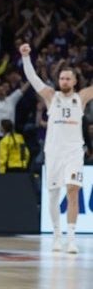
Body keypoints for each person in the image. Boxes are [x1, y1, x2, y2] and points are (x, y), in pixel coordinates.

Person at [20, 43, 92, 254]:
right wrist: (26, 57)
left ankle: (71, 238)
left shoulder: (82, 97)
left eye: (68, 78)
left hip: (74, 152)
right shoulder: (52, 96)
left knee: (72, 192)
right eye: (62, 78)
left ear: (75, 81)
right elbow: (34, 80)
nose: (64, 81)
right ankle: (57, 235)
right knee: (52, 195)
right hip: (53, 153)